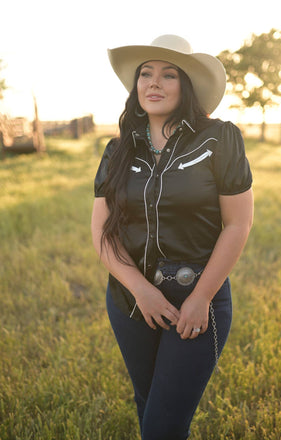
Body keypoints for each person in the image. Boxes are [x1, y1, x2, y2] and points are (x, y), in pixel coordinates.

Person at [91, 34, 254, 440]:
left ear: (187, 85)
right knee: (148, 406)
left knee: (164, 425)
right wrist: (140, 290)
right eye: (146, 74)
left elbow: (238, 224)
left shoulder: (220, 139)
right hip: (130, 301)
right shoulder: (117, 150)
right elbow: (102, 231)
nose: (154, 83)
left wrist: (200, 297)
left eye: (168, 75)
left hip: (196, 303)